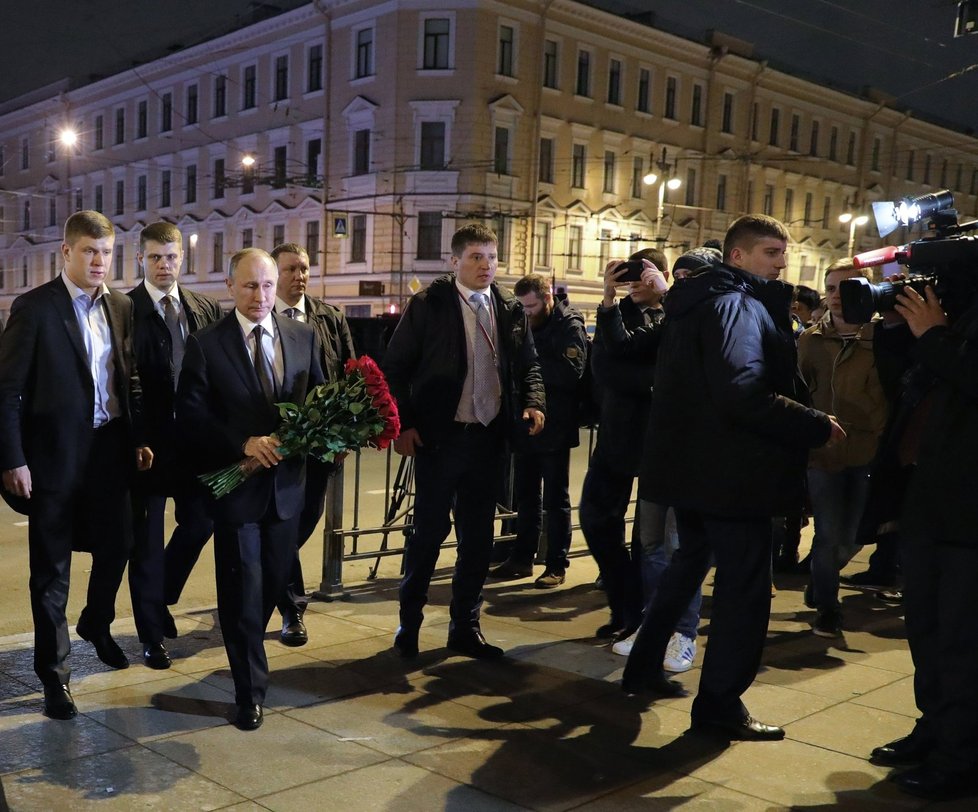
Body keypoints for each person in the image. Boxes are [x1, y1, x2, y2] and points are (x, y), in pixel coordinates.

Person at [621, 214, 844, 741]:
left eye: (783, 253)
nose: (781, 262)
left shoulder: (697, 302)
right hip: (732, 476)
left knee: (687, 564)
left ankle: (642, 667)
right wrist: (813, 424)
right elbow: (741, 390)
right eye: (770, 252)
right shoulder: (734, 304)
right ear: (738, 257)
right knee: (744, 591)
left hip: (697, 471)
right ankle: (720, 704)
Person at [0, 210, 153, 720]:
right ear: (66, 252)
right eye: (89, 251)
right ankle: (56, 678)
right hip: (53, 459)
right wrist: (13, 459)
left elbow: (125, 375)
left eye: (106, 252)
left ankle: (95, 620)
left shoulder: (122, 306)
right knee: (51, 572)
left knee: (120, 545)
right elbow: (7, 391)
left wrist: (138, 436)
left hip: (109, 453)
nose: (99, 261)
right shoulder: (35, 308)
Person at [176, 247, 324, 730]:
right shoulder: (206, 344)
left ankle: (246, 649)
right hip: (236, 491)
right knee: (241, 591)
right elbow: (192, 416)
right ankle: (249, 692)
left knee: (268, 586)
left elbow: (319, 399)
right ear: (230, 286)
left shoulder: (303, 335)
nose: (260, 296)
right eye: (249, 286)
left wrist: (316, 434)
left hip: (286, 491)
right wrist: (243, 442)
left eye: (265, 285)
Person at [383, 223, 545, 660]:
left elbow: (528, 363)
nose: (486, 265)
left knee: (478, 539)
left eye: (491, 256)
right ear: (453, 262)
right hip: (440, 438)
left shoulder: (509, 307)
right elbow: (394, 369)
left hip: (489, 439)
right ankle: (409, 625)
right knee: (427, 536)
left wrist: (533, 402)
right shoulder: (429, 305)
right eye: (475, 256)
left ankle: (465, 627)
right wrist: (404, 425)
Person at [869, 278, 978, 800]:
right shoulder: (957, 313)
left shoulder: (952, 330)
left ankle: (961, 757)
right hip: (929, 499)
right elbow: (905, 385)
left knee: (961, 642)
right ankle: (934, 731)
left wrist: (935, 336)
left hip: (968, 513)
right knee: (927, 632)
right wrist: (898, 326)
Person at [127, 222, 222, 670]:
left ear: (183, 257)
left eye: (171, 257)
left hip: (195, 443)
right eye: (155, 258)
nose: (164, 265)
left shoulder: (203, 308)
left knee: (201, 521)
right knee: (145, 541)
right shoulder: (124, 309)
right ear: (140, 260)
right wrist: (137, 437)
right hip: (148, 447)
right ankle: (150, 635)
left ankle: (160, 595)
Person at [797, 258, 907, 637]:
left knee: (855, 535)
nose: (837, 296)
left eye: (848, 288)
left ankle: (821, 579)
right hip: (823, 452)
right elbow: (800, 389)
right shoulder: (810, 340)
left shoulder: (884, 339)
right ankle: (828, 605)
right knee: (827, 535)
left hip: (868, 452)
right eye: (830, 288)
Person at [578, 248, 667, 640]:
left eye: (641, 273)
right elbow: (604, 369)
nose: (632, 281)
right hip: (616, 439)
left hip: (656, 443)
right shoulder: (613, 315)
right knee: (597, 521)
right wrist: (608, 299)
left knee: (650, 540)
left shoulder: (675, 318)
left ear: (661, 276)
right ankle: (625, 605)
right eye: (626, 273)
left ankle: (647, 617)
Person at [271, 242, 356, 647]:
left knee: (305, 520)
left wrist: (346, 434)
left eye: (303, 268)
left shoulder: (330, 318)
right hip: (276, 445)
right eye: (290, 269)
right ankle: (291, 609)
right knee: (283, 523)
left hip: (320, 445)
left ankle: (269, 581)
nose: (299, 276)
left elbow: (349, 378)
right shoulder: (260, 313)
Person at [489, 273, 586, 589]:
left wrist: (530, 369)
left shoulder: (569, 324)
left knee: (555, 500)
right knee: (526, 496)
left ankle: (556, 563)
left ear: (547, 299)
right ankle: (521, 557)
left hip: (556, 425)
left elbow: (570, 372)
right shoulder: (523, 320)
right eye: (523, 307)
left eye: (531, 307)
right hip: (527, 423)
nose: (526, 313)